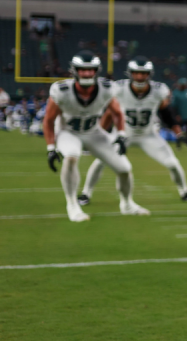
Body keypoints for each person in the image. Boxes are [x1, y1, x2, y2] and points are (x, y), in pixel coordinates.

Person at [42, 51, 149, 222]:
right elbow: (48, 120)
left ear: (96, 71)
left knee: (124, 169)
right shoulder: (61, 90)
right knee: (71, 157)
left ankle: (127, 204)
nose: (87, 73)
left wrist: (121, 135)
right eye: (83, 70)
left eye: (90, 70)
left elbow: (118, 113)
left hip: (93, 132)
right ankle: (72, 205)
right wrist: (51, 148)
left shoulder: (106, 88)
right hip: (68, 131)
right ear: (74, 71)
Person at [81, 56, 187, 205]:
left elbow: (167, 115)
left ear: (149, 74)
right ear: (130, 73)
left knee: (173, 163)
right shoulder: (119, 89)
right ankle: (86, 193)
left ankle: (185, 192)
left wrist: (178, 133)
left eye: (143, 73)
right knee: (100, 161)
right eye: (136, 73)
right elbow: (110, 114)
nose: (140, 76)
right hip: (123, 134)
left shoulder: (158, 90)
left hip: (148, 135)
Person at [171, 79, 187, 149]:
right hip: (180, 115)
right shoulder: (176, 93)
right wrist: (177, 115)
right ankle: (178, 145)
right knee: (179, 131)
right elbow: (174, 106)